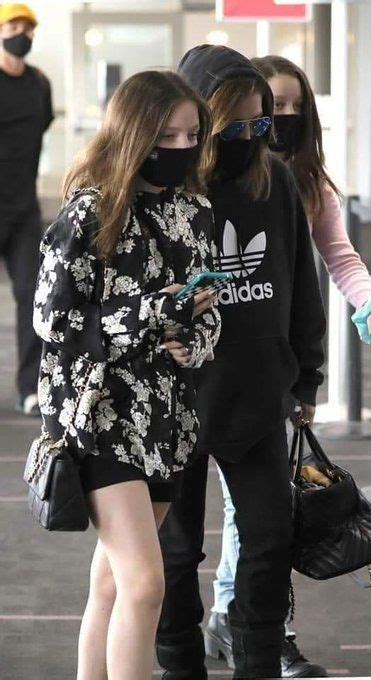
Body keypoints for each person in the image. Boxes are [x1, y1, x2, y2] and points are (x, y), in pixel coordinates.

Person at [204, 54, 371, 678]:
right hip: (209, 374)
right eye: (272, 105)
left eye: (293, 106)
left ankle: (245, 623)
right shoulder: (203, 176)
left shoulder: (307, 181)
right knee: (246, 517)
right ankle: (234, 619)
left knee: (259, 514)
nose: (282, 117)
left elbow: (339, 257)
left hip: (275, 369)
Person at [32, 70, 221, 680]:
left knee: (114, 585)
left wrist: (194, 338)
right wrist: (152, 313)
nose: (182, 148)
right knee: (144, 585)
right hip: (97, 415)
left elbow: (208, 311)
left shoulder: (196, 211)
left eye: (192, 135)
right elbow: (51, 318)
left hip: (166, 416)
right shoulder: (88, 212)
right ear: (133, 134)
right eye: (166, 136)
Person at [157, 45, 326, 679]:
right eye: (238, 126)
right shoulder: (167, 186)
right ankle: (179, 667)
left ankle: (256, 662)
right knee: (176, 557)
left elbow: (300, 287)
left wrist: (308, 375)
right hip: (176, 403)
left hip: (257, 396)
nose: (254, 137)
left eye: (263, 125)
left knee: (268, 542)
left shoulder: (273, 178)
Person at [0, 3, 54, 416]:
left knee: (33, 295)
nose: (23, 33)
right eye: (14, 26)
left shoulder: (39, 84)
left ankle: (30, 388)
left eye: (27, 27)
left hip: (23, 209)